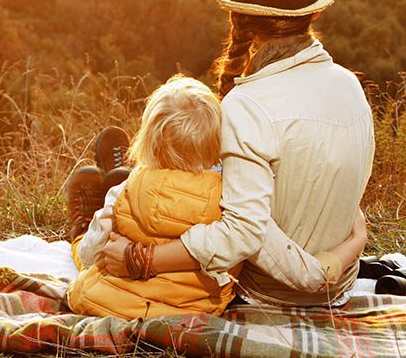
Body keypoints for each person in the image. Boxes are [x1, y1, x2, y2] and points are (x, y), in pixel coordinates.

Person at [95, 0, 375, 307]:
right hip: (339, 285)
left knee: (176, 185)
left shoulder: (249, 104)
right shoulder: (350, 86)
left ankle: (121, 186)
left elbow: (242, 234)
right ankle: (122, 181)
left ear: (239, 16)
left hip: (268, 292)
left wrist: (139, 259)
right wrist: (354, 243)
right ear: (314, 13)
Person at [65, 76, 366, 319]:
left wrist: (97, 250)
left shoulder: (124, 193)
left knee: (90, 239)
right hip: (194, 311)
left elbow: (94, 254)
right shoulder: (232, 199)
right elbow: (299, 270)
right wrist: (356, 240)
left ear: (148, 144)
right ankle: (110, 176)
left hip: (111, 302)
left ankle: (90, 211)